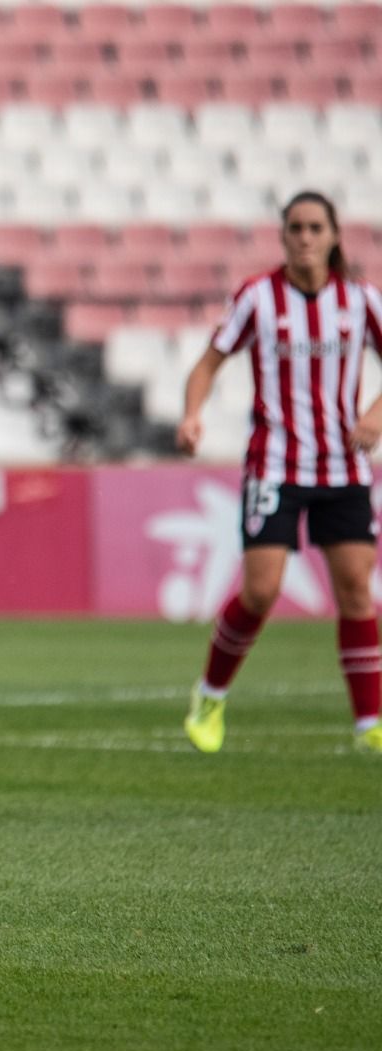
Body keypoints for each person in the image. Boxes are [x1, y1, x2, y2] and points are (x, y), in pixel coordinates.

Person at [178, 190, 382, 755]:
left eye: (316, 227)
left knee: (356, 591)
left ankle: (370, 724)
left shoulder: (361, 300)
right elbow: (208, 362)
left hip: (343, 467)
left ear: (334, 235)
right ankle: (210, 695)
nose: (306, 237)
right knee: (261, 591)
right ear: (283, 236)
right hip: (275, 467)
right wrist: (192, 414)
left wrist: (375, 414)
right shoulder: (258, 298)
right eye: (296, 228)